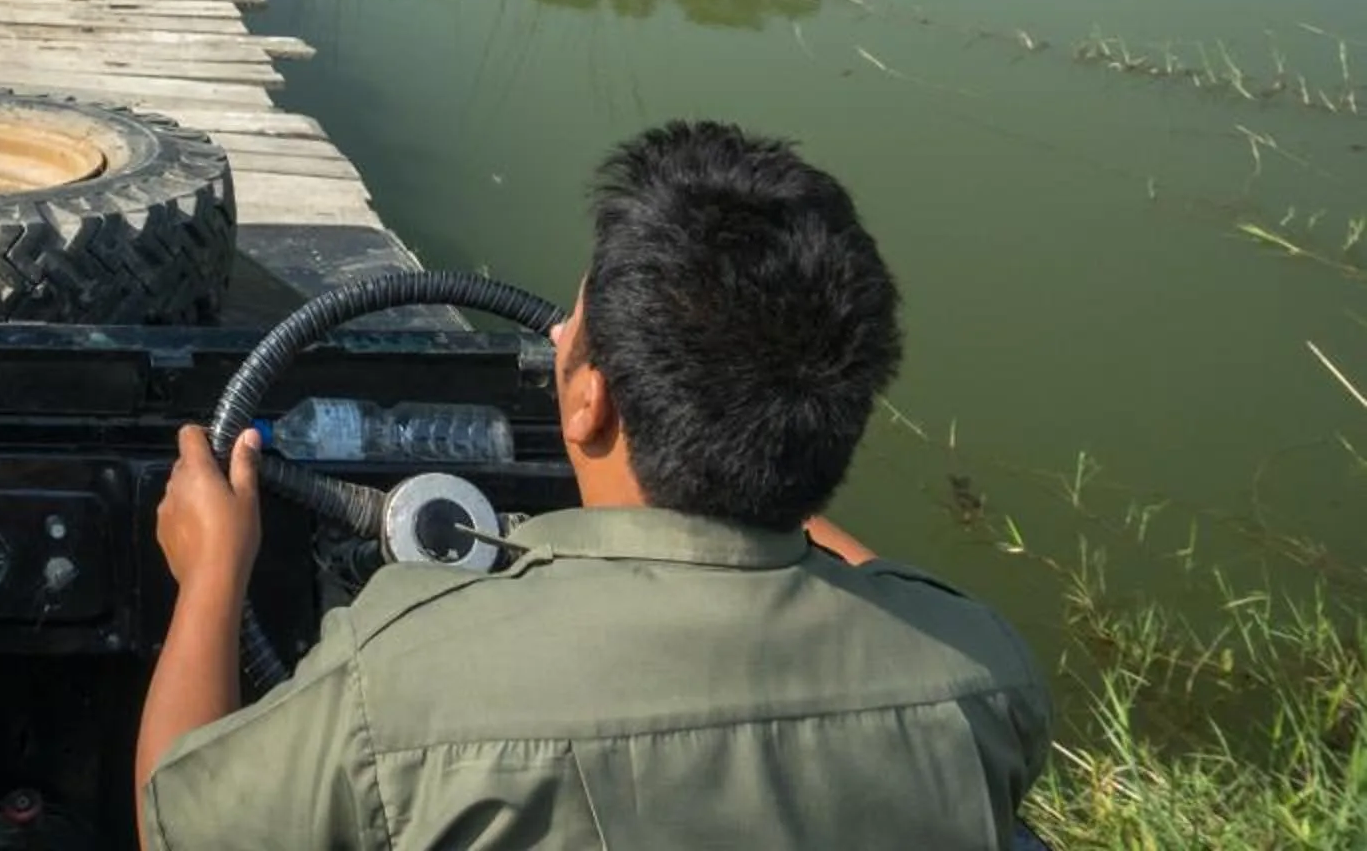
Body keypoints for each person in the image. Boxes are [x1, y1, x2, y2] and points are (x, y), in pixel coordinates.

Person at [136, 120, 1051, 850]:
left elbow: (171, 823)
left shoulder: (402, 685)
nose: (560, 338)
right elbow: (881, 595)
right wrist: (770, 460)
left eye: (569, 329)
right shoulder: (979, 675)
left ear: (587, 401)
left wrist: (211, 577)